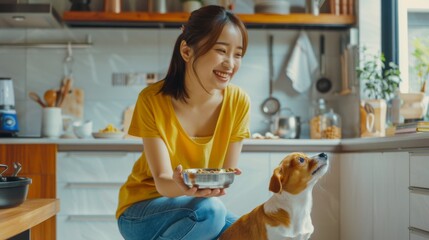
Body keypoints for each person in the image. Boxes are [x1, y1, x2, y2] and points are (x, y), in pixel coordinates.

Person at [116, 5, 250, 240]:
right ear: (187, 51)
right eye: (221, 50)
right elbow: (163, 183)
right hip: (141, 211)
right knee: (212, 211)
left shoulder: (238, 101)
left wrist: (215, 183)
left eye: (237, 54)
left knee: (248, 233)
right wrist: (183, 186)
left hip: (198, 207)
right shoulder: (152, 100)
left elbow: (224, 174)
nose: (230, 63)